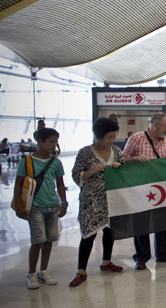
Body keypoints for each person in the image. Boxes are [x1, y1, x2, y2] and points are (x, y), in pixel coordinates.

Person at [69, 117, 125, 287]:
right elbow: (76, 175)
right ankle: (81, 270)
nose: (112, 140)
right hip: (92, 199)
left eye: (113, 137)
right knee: (89, 234)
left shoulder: (116, 150)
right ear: (98, 136)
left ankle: (106, 261)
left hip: (111, 198)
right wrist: (93, 171)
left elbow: (124, 167)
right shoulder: (85, 153)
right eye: (109, 137)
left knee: (109, 231)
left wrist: (118, 166)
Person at [122, 112, 166, 270]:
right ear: (155, 125)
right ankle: (141, 257)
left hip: (161, 189)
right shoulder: (136, 138)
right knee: (141, 224)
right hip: (141, 190)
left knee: (161, 224)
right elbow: (121, 161)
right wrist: (135, 159)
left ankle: (162, 254)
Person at [13, 127, 67, 289]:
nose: (53, 145)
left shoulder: (55, 162)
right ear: (40, 141)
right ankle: (31, 273)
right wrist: (18, 206)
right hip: (35, 207)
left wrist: (63, 203)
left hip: (52, 206)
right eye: (50, 142)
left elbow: (60, 184)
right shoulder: (27, 161)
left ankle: (43, 271)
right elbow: (18, 184)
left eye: (56, 142)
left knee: (50, 240)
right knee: (37, 241)